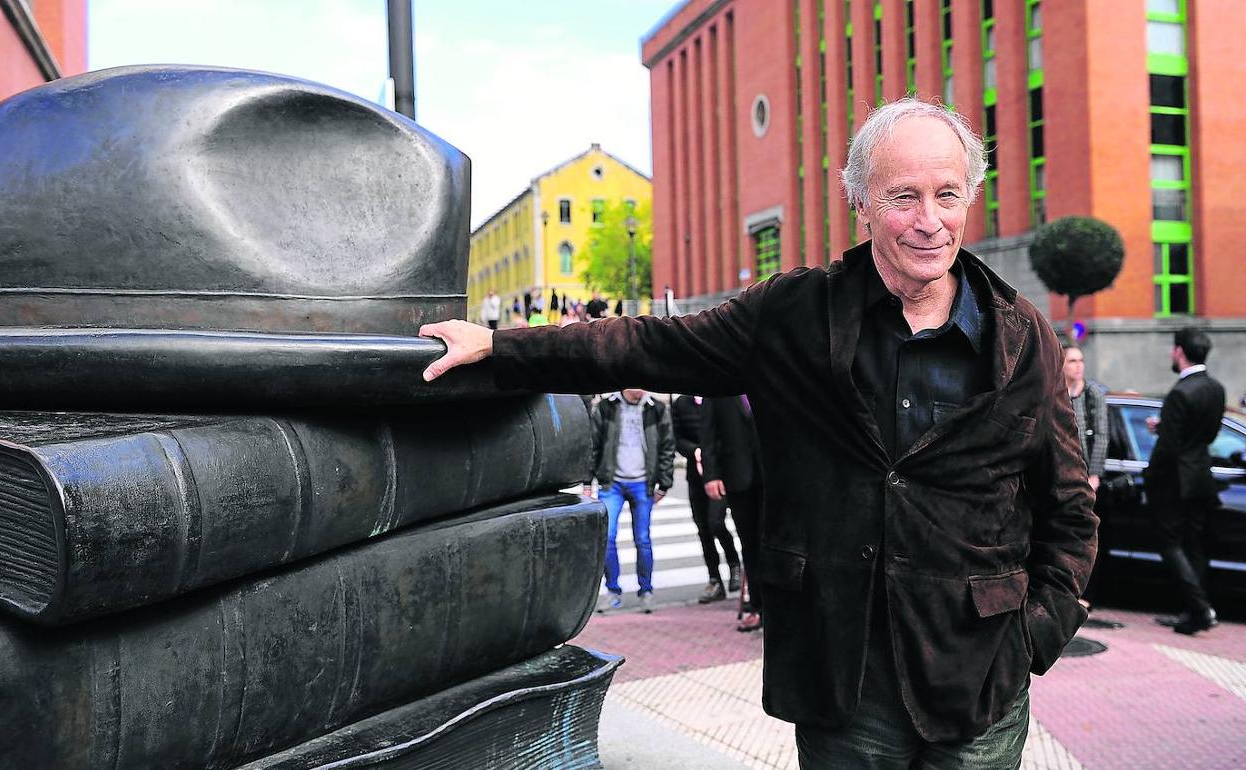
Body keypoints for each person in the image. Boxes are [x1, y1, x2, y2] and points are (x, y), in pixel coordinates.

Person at [421, 98, 1096, 768]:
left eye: (947, 195)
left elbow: (1068, 505)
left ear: (969, 197)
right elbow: (648, 344)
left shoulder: (1019, 336)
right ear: (860, 201)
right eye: (904, 197)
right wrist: (499, 349)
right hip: (844, 685)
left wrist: (1036, 634)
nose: (929, 222)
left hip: (980, 682)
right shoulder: (795, 315)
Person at [1146, 327, 1225, 635]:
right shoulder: (1216, 388)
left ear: (1179, 352)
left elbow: (1169, 448)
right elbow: (1206, 434)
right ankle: (1194, 611)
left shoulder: (1180, 392)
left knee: (1170, 544)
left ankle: (1199, 609)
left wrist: (1149, 476)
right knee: (1194, 545)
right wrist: (1165, 427)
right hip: (1201, 475)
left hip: (1175, 480)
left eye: (1172, 349)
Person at [588, 389, 674, 614]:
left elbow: (667, 446)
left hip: (643, 483)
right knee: (607, 537)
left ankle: (646, 590)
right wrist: (588, 481)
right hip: (612, 482)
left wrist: (664, 483)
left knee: (643, 539)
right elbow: (593, 444)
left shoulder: (656, 408)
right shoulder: (607, 407)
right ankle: (613, 591)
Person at [701, 395, 765, 631]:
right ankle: (757, 607)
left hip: (774, 474)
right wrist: (711, 475)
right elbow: (707, 435)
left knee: (777, 541)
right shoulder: (719, 382)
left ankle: (781, 607)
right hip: (738, 476)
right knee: (751, 544)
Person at [671, 394, 742, 604]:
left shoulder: (719, 399)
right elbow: (678, 439)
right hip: (695, 475)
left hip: (720, 474)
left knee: (716, 523)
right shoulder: (682, 403)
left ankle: (734, 563)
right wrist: (695, 451)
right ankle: (715, 579)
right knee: (703, 529)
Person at [1062, 344, 1110, 613]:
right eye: (1072, 360)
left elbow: (1102, 435)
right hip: (1064, 477)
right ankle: (1067, 590)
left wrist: (1094, 474)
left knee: (1088, 537)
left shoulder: (1092, 394)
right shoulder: (1057, 392)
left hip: (1086, 479)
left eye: (1081, 360)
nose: (1078, 365)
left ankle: (1087, 593)